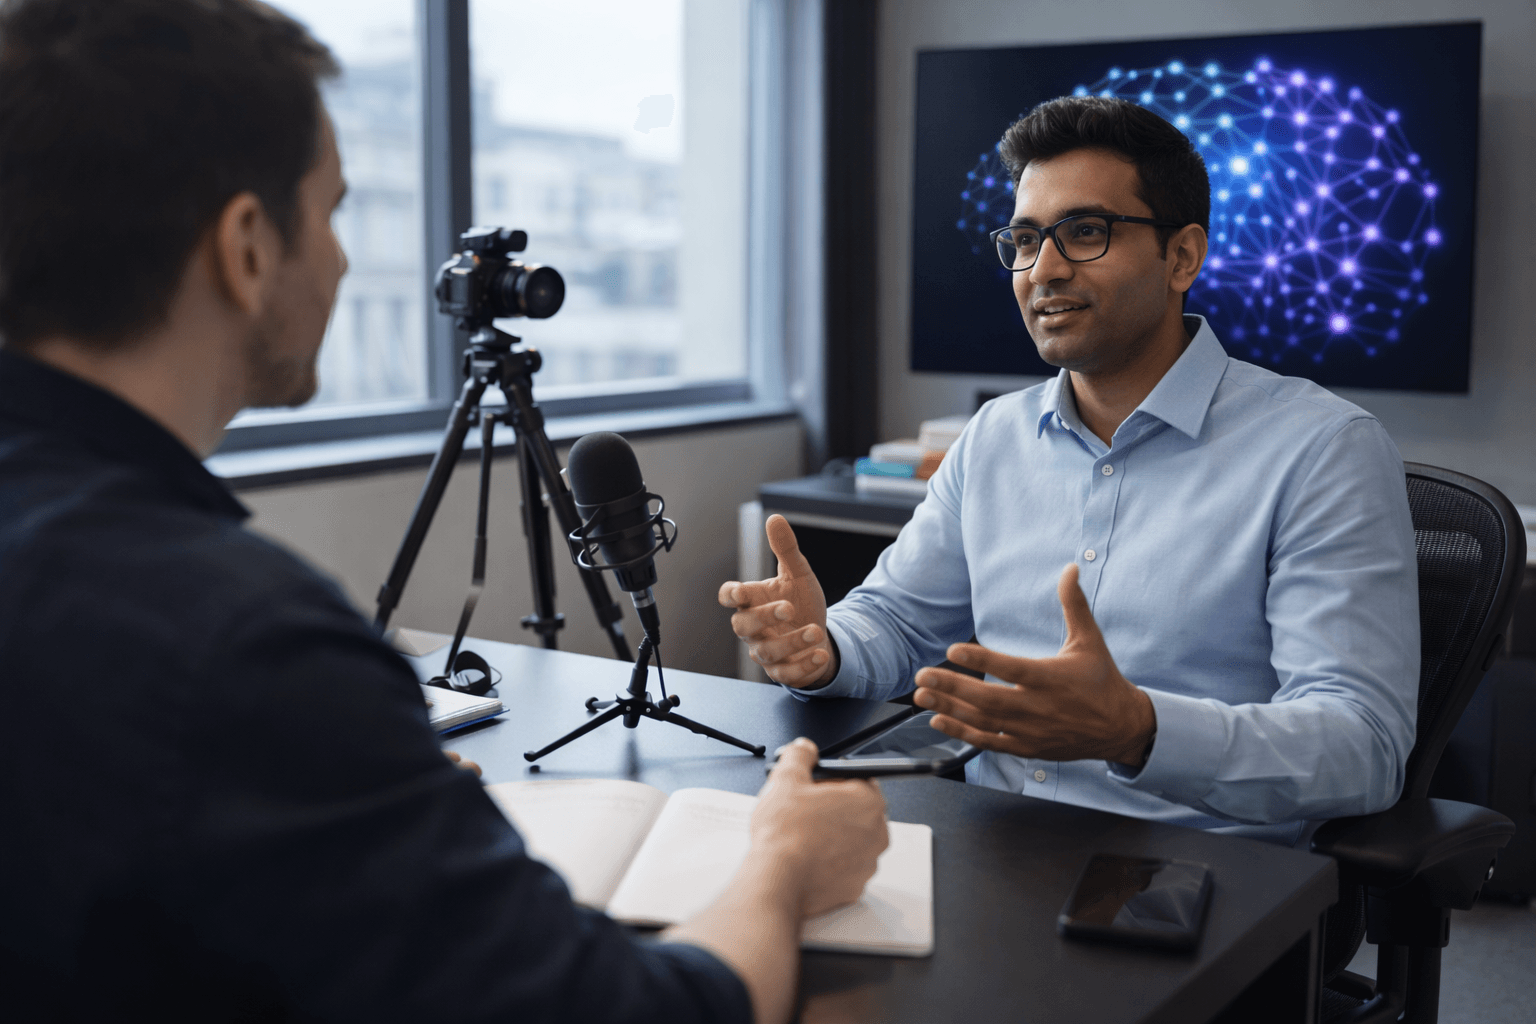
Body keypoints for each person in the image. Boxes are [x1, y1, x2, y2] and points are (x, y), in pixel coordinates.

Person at [0, 2, 887, 1021]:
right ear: (246, 248)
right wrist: (780, 862)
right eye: (332, 212)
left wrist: (363, 787)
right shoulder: (240, 643)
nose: (340, 262)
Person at [722, 95, 1420, 846]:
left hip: (1195, 877)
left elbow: (1363, 747)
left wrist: (1136, 730)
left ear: (1182, 256)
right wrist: (824, 646)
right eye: (1024, 240)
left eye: (1084, 232)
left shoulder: (1323, 449)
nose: (1043, 269)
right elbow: (897, 623)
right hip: (988, 845)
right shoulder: (994, 437)